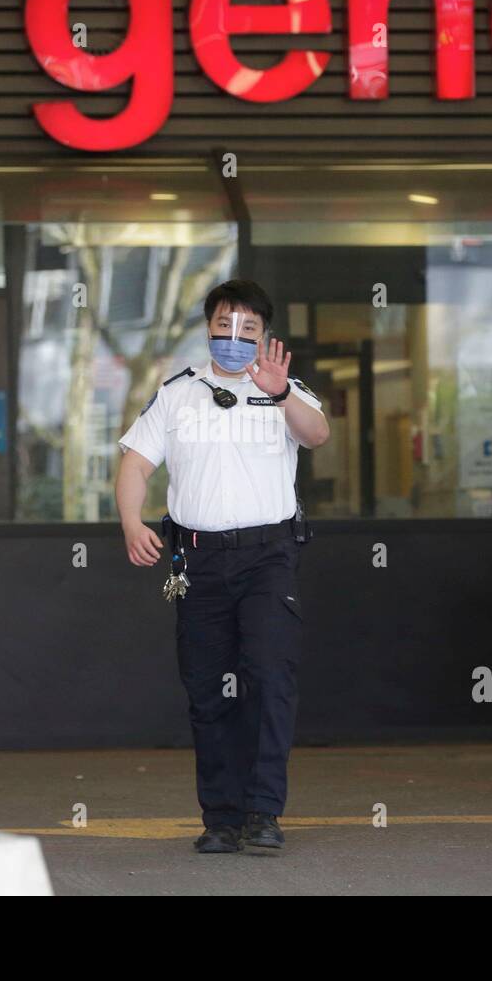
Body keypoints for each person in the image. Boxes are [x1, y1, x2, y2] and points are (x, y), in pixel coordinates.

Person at [114, 279, 329, 853]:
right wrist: (132, 522)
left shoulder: (286, 390)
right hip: (200, 561)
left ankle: (263, 811)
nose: (234, 338)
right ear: (208, 328)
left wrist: (281, 394)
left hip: (268, 559)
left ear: (265, 334)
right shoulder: (178, 393)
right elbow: (135, 464)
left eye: (248, 328)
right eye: (224, 326)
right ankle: (221, 817)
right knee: (208, 692)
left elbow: (318, 434)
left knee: (268, 678)